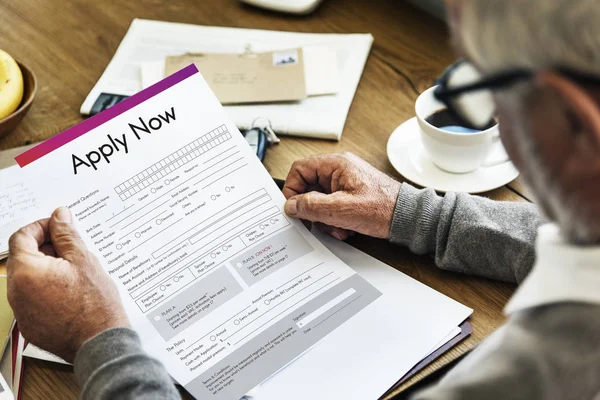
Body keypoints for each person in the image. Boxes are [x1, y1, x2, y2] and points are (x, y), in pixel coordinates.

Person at [7, 0, 600, 398]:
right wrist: (417, 214)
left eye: (484, 89)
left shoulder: (547, 369)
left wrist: (98, 341)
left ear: (577, 122)